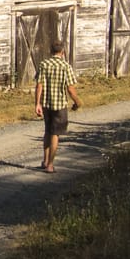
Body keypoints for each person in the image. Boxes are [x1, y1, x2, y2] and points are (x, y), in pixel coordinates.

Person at [34, 40, 82, 173]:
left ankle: (44, 160)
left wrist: (37, 103)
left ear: (51, 51)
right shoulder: (66, 66)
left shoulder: (44, 64)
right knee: (55, 134)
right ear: (63, 52)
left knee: (47, 131)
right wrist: (77, 101)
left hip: (46, 104)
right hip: (60, 105)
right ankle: (50, 164)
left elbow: (39, 85)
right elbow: (70, 89)